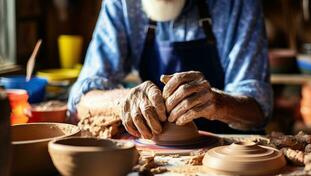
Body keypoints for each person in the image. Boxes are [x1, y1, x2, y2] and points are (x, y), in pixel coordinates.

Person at [68, 0, 272, 138]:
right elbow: (81, 100)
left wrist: (219, 103)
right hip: (159, 151)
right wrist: (125, 100)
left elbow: (258, 111)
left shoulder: (236, 4)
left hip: (227, 152)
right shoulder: (123, 3)